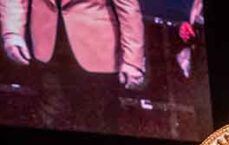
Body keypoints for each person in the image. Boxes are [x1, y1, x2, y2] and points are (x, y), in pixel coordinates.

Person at [0, 0, 145, 130]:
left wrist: (132, 60)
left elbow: (129, 9)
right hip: (47, 48)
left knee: (97, 121)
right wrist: (12, 33)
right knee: (49, 117)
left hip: (97, 53)